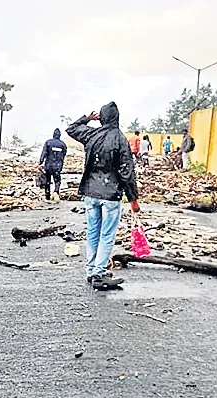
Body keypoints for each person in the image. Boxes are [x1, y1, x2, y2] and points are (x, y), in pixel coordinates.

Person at [66, 102, 140, 289]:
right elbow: (127, 171)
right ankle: (98, 273)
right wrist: (133, 199)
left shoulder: (91, 134)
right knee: (106, 235)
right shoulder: (120, 139)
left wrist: (86, 119)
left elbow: (71, 128)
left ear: (101, 117)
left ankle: (92, 270)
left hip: (90, 191)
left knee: (93, 232)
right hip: (110, 194)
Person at [39, 128, 67, 201]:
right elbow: (63, 155)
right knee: (57, 180)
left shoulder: (48, 142)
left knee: (47, 180)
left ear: (53, 135)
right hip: (57, 166)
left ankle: (47, 196)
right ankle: (56, 192)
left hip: (48, 166)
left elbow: (44, 153)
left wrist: (40, 162)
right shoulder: (63, 144)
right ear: (60, 135)